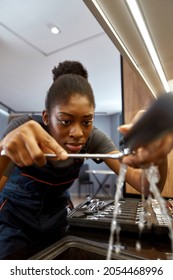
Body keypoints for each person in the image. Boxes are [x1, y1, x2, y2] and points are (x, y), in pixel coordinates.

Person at [0, 61, 167, 259]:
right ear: (46, 117)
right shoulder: (22, 128)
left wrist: (159, 155)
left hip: (57, 220)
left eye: (87, 122)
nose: (78, 133)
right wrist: (3, 151)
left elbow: (145, 186)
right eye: (65, 121)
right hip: (13, 221)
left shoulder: (94, 138)